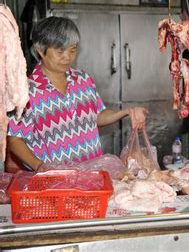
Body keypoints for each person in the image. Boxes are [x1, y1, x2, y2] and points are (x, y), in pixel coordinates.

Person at [6, 16, 149, 172]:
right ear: (41, 50)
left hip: (92, 174)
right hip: (56, 180)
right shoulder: (27, 91)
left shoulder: (83, 79)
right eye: (60, 51)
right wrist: (40, 166)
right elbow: (15, 139)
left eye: (72, 50)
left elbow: (97, 116)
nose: (67, 57)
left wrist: (126, 112)